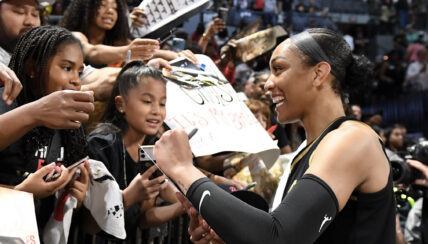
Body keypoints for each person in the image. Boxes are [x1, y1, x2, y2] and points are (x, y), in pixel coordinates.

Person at [153, 28, 396, 243]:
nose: (268, 83)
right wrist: (230, 234)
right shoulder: (307, 150)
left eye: (278, 69)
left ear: (319, 73)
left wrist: (184, 169)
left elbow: (279, 237)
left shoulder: (352, 139)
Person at [1, 25, 92, 237]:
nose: (76, 80)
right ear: (33, 68)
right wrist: (21, 194)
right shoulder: (6, 103)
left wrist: (76, 199)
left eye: (79, 71)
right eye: (67, 68)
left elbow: (88, 225)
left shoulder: (71, 125)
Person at [84, 61, 185, 243]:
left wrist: (185, 206)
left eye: (162, 104)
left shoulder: (153, 147)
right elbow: (89, 225)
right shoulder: (100, 145)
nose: (156, 111)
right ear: (121, 104)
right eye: (147, 101)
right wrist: (129, 195)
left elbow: (144, 219)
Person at [60, 0, 159, 67]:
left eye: (115, 8)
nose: (110, 11)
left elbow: (146, 51)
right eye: (103, 5)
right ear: (85, 9)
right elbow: (93, 52)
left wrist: (172, 56)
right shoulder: (75, 36)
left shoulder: (117, 41)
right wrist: (128, 51)